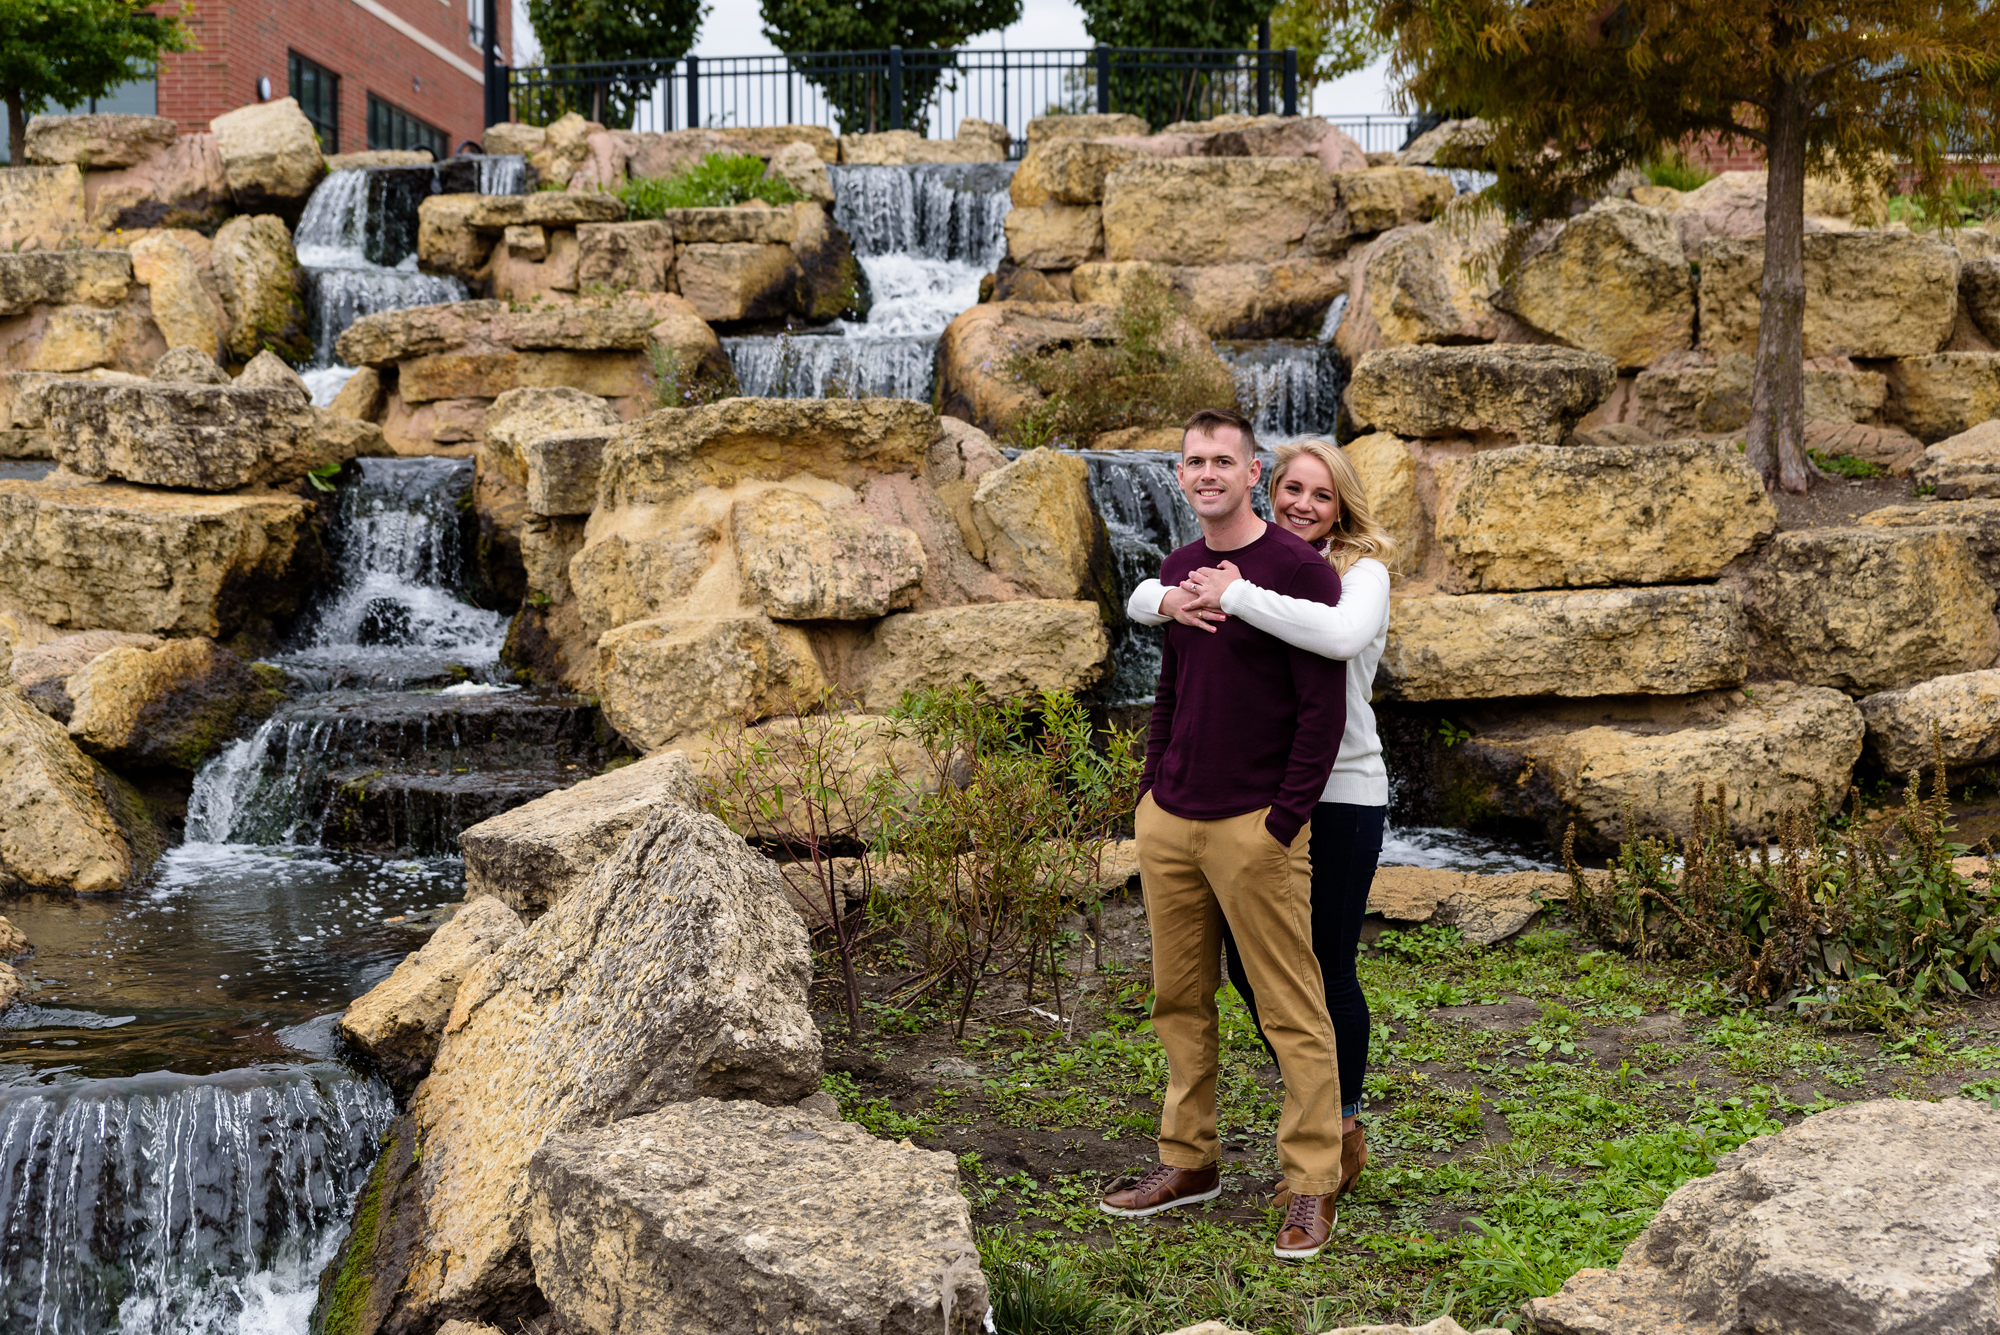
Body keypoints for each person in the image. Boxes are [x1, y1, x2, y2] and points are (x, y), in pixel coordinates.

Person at [1099, 409, 1350, 1261]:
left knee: (1291, 1007)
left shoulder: (1298, 570)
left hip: (1255, 827)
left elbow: (1323, 714)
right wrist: (1148, 793)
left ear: (1254, 473)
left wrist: (1282, 822)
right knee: (1178, 1001)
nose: (1208, 473)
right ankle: (1188, 1160)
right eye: (1195, 460)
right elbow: (1170, 691)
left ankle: (1312, 1183)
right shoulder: (1177, 570)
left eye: (1224, 461)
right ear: (1180, 476)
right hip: (1171, 820)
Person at [1125, 437, 1395, 1208]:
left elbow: (1336, 638)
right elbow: (1163, 612)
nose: (1303, 504)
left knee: (1322, 971)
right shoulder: (1244, 564)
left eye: (1322, 494)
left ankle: (1337, 1135)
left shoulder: (1350, 575)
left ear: (1343, 505)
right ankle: (1246, 1142)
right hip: (1243, 794)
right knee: (1243, 975)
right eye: (1293, 489)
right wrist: (1167, 595)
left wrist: (1236, 592)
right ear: (1266, 489)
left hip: (1335, 791)